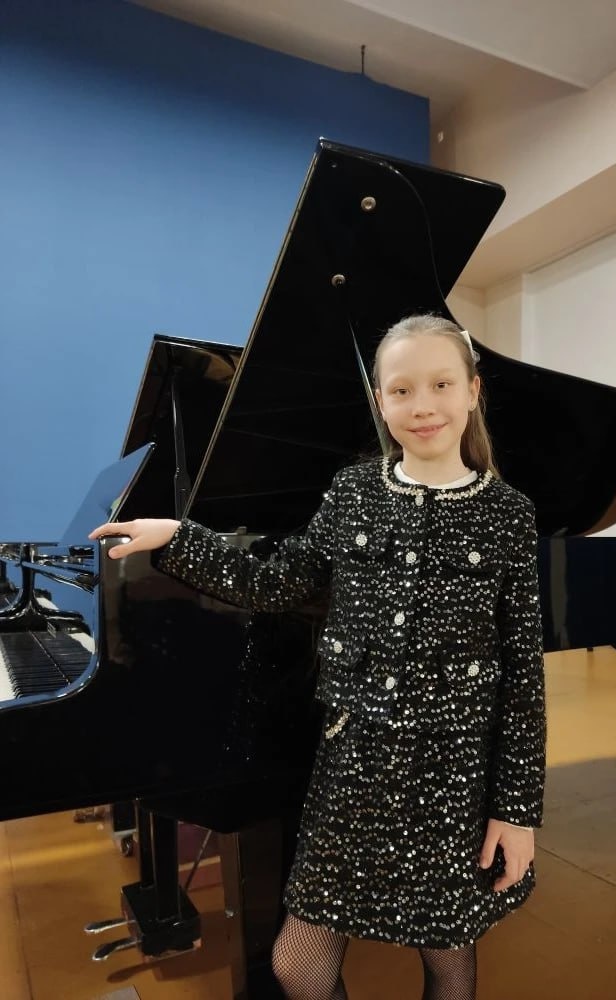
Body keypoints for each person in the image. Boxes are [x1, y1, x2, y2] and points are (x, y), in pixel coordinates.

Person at [90, 314, 546, 1000]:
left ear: (473, 391)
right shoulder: (352, 492)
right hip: (351, 769)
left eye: (441, 384)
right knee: (297, 965)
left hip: (454, 777)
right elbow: (276, 583)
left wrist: (517, 810)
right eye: (401, 390)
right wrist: (179, 536)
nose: (422, 405)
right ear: (381, 402)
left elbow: (524, 679)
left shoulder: (509, 514)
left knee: (447, 958)